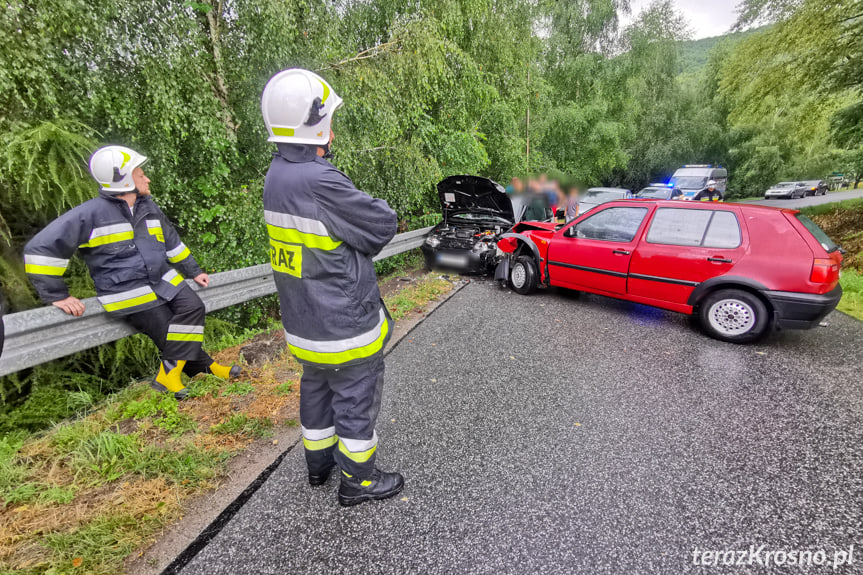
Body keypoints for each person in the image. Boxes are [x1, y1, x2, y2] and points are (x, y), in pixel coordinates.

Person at [260, 68, 403, 506]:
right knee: (355, 396)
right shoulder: (320, 181)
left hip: (304, 324)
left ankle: (319, 466)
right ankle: (358, 480)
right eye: (328, 119)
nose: (333, 128)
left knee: (317, 390)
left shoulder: (276, 176)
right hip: (344, 325)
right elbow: (382, 224)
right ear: (314, 124)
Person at [23, 146, 240, 400]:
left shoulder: (148, 207)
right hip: (125, 290)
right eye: (140, 175)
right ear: (124, 181)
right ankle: (203, 368)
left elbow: (172, 242)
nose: (146, 179)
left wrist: (193, 271)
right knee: (169, 330)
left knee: (193, 308)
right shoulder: (90, 214)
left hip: (161, 279)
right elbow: (41, 248)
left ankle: (171, 374)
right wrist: (57, 294)